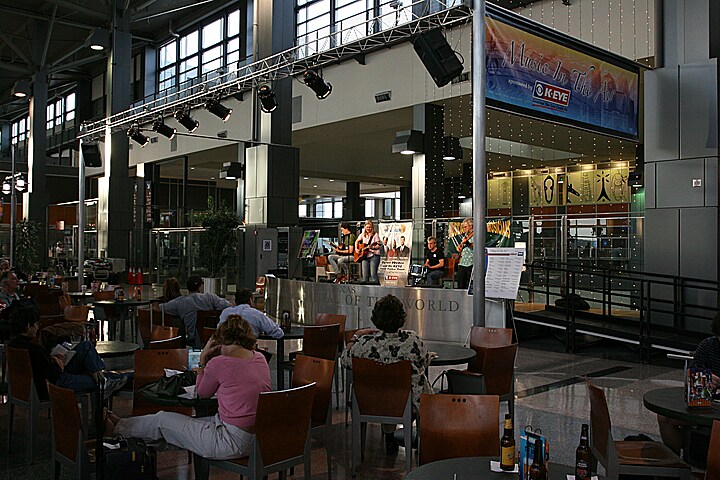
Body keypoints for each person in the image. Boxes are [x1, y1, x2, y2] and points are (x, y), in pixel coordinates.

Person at [107, 315, 271, 460]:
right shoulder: (259, 358)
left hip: (230, 441)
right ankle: (125, 433)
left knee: (162, 420)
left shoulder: (219, 363)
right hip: (259, 438)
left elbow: (201, 392)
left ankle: (117, 428)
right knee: (168, 433)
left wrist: (203, 358)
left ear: (221, 342)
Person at [341, 294, 430, 454]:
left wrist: (355, 337)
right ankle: (423, 441)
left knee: (384, 389)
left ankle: (388, 435)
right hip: (405, 406)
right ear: (401, 317)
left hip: (369, 404)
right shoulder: (412, 341)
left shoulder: (364, 345)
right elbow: (423, 360)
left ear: (376, 318)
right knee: (409, 390)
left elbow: (345, 361)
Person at [7, 301, 128, 399]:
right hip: (57, 385)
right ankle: (107, 382)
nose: (37, 327)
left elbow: (41, 367)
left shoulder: (13, 345)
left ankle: (104, 379)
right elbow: (53, 374)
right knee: (100, 379)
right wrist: (58, 363)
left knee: (86, 346)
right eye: (36, 324)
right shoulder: (34, 349)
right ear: (28, 326)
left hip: (44, 382)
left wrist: (52, 359)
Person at [658, 312, 720, 453]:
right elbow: (693, 372)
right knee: (665, 418)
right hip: (708, 404)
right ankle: (677, 462)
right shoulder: (709, 345)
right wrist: (704, 380)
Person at [161, 275, 230, 347]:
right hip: (213, 338)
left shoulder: (180, 302)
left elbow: (160, 308)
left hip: (193, 342)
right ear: (200, 286)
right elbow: (228, 305)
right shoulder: (211, 298)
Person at [218, 288, 284, 339]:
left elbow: (218, 332)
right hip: (247, 352)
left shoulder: (225, 312)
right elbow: (278, 333)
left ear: (235, 301)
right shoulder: (256, 314)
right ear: (250, 300)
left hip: (226, 352)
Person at [456, 218, 474, 290]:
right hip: (462, 262)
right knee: (460, 283)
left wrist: (467, 243)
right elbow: (461, 246)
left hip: (471, 262)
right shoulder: (465, 236)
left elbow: (476, 247)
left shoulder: (476, 235)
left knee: (468, 284)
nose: (464, 229)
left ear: (471, 226)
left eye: (465, 227)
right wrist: (459, 247)